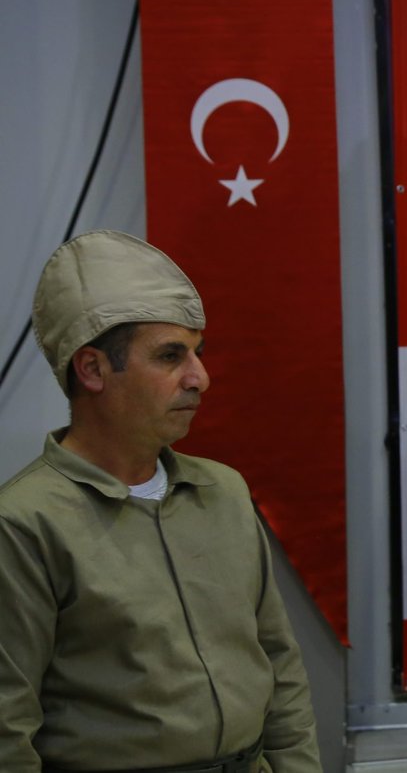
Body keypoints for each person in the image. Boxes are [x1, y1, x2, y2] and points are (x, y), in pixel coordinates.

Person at [0, 230, 319, 773]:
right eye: (171, 356)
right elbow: (7, 727)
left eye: (198, 354)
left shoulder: (223, 492)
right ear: (93, 369)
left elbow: (279, 666)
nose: (201, 378)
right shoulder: (26, 523)